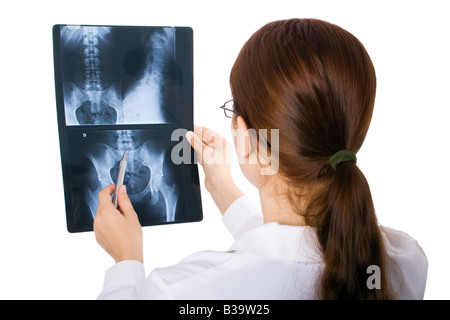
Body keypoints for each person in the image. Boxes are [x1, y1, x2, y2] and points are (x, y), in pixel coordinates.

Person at [94, 18, 428, 299]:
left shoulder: (185, 290)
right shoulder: (405, 259)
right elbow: (289, 261)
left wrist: (126, 260)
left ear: (246, 136)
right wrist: (223, 189)